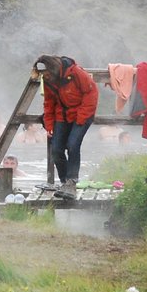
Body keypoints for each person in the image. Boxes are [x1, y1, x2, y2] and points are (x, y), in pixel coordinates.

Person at [34, 54, 99, 199]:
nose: (46, 76)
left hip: (82, 113)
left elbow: (92, 92)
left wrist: (82, 117)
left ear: (53, 68)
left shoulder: (75, 72)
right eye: (43, 74)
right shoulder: (48, 79)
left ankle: (71, 182)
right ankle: (64, 182)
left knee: (72, 145)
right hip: (61, 116)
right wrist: (49, 125)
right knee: (56, 149)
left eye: (47, 73)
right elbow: (49, 103)